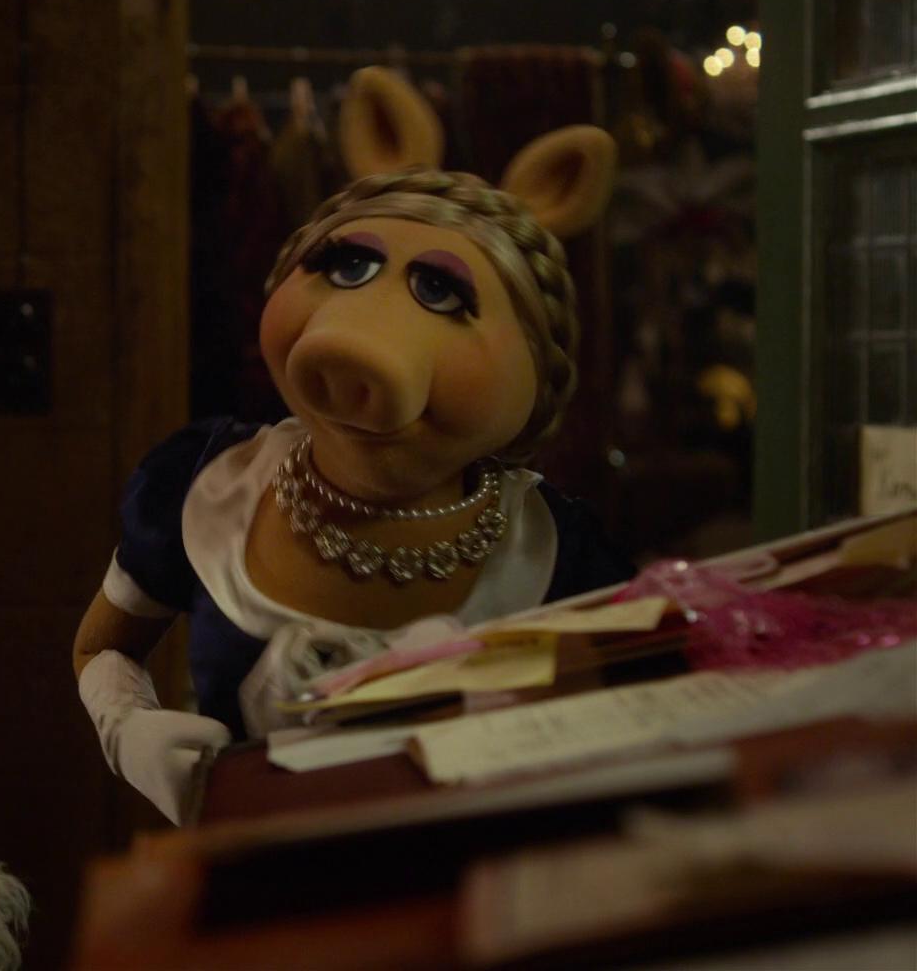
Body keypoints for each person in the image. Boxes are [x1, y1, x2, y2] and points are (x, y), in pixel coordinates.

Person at [74, 137, 632, 826]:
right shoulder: (211, 483)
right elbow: (103, 644)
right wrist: (126, 727)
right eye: (348, 265)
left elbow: (639, 719)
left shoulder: (556, 552)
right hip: (250, 867)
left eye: (440, 291)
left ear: (537, 368)